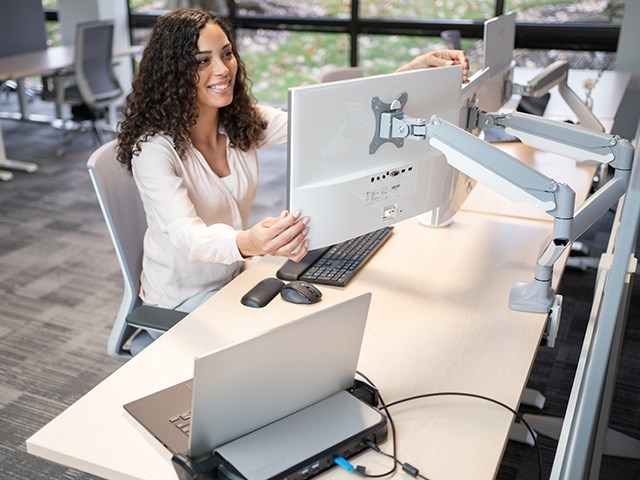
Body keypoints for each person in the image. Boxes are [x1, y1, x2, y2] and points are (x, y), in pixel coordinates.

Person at [116, 8, 468, 350]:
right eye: (202, 61)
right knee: (294, 350)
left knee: (326, 329)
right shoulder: (153, 149)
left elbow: (321, 121)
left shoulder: (238, 121)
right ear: (172, 72)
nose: (223, 69)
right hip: (180, 303)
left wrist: (403, 75)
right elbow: (186, 235)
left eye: (227, 54)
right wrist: (250, 242)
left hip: (237, 278)